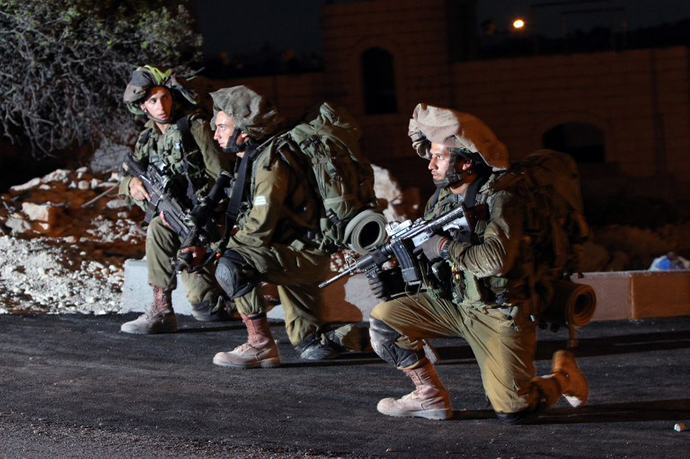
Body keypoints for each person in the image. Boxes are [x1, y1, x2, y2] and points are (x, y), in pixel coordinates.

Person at [367, 103, 589, 423]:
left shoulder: (501, 198)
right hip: (457, 304)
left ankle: (563, 378)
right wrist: (392, 273)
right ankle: (429, 397)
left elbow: (495, 260)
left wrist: (442, 246)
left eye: (440, 157)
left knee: (514, 409)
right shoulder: (441, 199)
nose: (431, 164)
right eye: (431, 155)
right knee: (385, 320)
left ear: (467, 161)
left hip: (499, 311)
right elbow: (430, 263)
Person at [206, 85, 369, 368]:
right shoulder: (258, 156)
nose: (215, 134)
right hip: (301, 251)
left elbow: (258, 228)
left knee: (232, 263)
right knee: (312, 346)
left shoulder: (269, 162)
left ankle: (259, 345)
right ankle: (382, 337)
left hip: (302, 256)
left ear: (243, 131)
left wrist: (216, 249)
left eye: (222, 127)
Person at [119, 65, 234, 334]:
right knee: (158, 227)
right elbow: (129, 173)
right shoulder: (147, 137)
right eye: (153, 100)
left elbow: (222, 174)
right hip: (174, 217)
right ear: (142, 106)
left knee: (206, 310)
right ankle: (161, 310)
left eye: (165, 97)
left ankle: (240, 298)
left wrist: (208, 214)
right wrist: (131, 184)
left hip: (206, 217)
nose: (161, 106)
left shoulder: (193, 126)